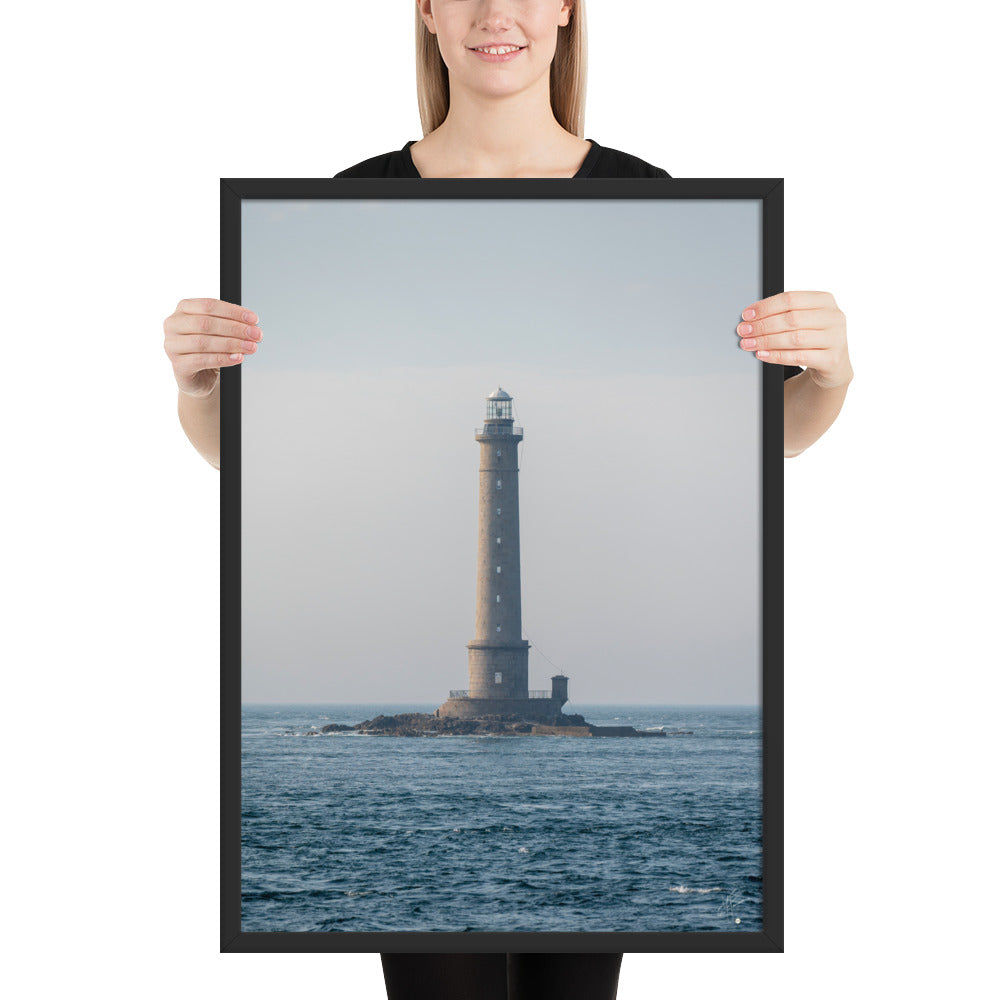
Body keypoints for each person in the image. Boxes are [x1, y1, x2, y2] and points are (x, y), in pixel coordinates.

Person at [163, 2, 852, 997]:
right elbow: (241, 457)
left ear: (569, 10)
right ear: (427, 13)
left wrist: (830, 374)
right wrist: (194, 387)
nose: (498, 12)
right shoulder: (358, 195)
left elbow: (769, 436)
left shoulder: (644, 195)